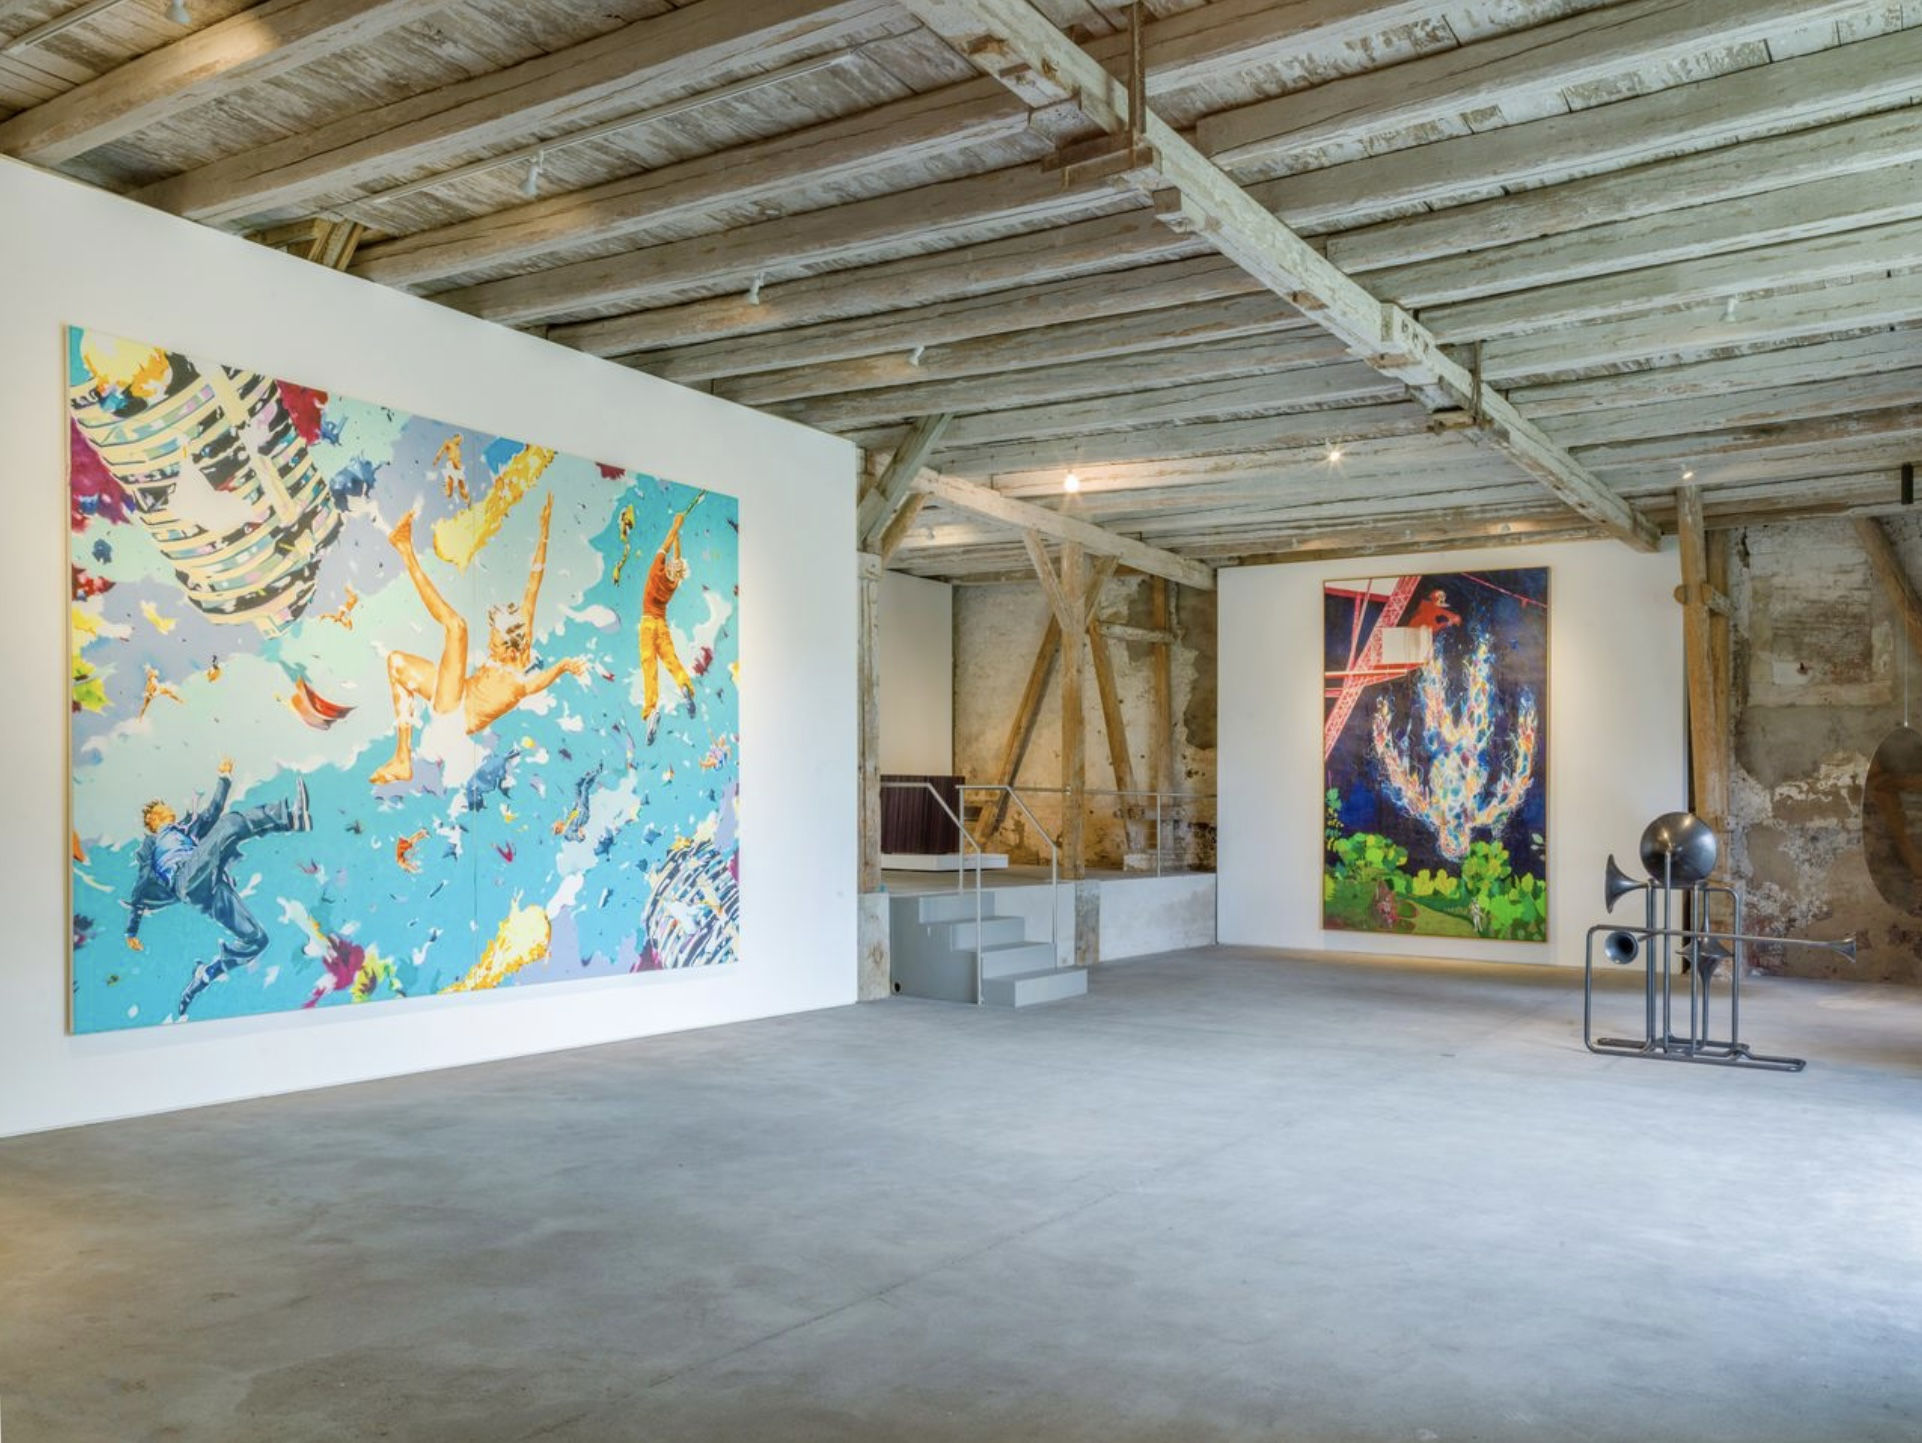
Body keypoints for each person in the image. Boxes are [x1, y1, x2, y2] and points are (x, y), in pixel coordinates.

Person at [371, 494, 591, 785]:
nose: (489, 646)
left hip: (456, 713)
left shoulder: (518, 684)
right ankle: (402, 757)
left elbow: (540, 681)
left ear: (510, 647)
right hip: (454, 690)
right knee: (396, 663)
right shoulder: (521, 630)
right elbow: (534, 582)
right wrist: (544, 531)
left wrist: (563, 666)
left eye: (494, 642)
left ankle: (405, 549)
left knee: (457, 627)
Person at [125, 759, 312, 1017]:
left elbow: (212, 812)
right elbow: (139, 891)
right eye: (164, 807)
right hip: (185, 879)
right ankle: (290, 818)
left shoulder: (188, 830)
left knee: (257, 939)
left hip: (209, 888)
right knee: (228, 824)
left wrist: (224, 778)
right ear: (154, 817)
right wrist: (131, 930)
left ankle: (206, 975)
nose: (170, 808)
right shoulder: (154, 845)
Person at [640, 503, 701, 744]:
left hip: (647, 625)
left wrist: (676, 526)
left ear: (670, 568)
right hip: (662, 625)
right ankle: (684, 685)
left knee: (649, 666)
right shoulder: (672, 584)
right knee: (672, 661)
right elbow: (676, 557)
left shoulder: (657, 569)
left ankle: (651, 710)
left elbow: (666, 545)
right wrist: (679, 536)